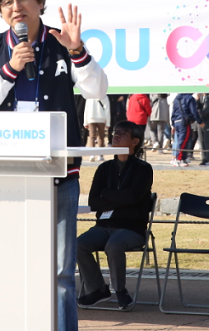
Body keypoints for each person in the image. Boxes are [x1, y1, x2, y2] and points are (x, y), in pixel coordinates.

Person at [0, 0, 109, 331]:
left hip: (58, 174)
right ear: (0, 10)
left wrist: (77, 50)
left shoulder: (63, 42)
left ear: (40, 2)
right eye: (7, 1)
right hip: (4, 177)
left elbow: (96, 90)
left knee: (60, 272)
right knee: (8, 266)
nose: (16, 7)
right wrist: (9, 70)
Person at [76, 120, 153, 311]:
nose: (115, 135)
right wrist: (120, 199)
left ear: (135, 141)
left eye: (122, 133)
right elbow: (94, 201)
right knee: (77, 244)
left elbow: (134, 196)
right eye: (115, 132)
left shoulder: (143, 169)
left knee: (114, 245)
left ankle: (120, 291)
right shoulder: (104, 168)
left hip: (132, 228)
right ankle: (98, 289)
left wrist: (107, 194)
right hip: (104, 226)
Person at [170, 93, 200, 167]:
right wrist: (199, 121)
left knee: (181, 140)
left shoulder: (176, 98)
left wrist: (173, 124)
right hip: (184, 122)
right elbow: (194, 111)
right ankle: (179, 159)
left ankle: (182, 158)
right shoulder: (189, 98)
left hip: (177, 121)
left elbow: (173, 112)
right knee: (183, 140)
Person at [84, 95, 111, 162]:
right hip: (102, 118)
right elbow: (107, 110)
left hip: (91, 118)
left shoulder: (89, 97)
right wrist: (108, 123)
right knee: (101, 137)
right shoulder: (104, 96)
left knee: (92, 136)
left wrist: (85, 122)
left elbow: (86, 110)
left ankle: (92, 154)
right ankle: (100, 155)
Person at [198, 93, 209, 165]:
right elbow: (197, 106)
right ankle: (203, 158)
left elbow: (208, 108)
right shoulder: (201, 96)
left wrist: (200, 112)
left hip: (207, 120)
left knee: (207, 140)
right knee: (201, 140)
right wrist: (197, 100)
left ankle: (208, 159)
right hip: (200, 120)